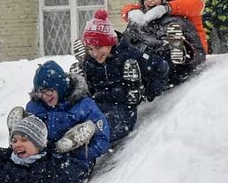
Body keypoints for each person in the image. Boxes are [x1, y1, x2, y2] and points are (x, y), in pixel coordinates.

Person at [71, 8, 168, 142]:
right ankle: (76, 132)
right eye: (90, 49)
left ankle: (134, 88)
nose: (94, 53)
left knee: (107, 126)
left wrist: (150, 92)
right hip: (96, 104)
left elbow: (161, 66)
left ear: (110, 42)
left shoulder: (129, 54)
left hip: (122, 107)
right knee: (75, 114)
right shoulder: (89, 61)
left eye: (98, 47)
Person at [24, 59, 111, 167]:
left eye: (48, 91)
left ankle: (70, 142)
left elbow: (102, 140)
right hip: (41, 155)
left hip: (74, 160)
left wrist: (75, 153)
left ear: (59, 87)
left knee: (55, 172)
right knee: (12, 167)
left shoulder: (84, 105)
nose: (44, 96)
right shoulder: (35, 107)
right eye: (40, 92)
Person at [121, 0, 206, 84]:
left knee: (164, 61)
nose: (151, 0)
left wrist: (189, 55)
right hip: (145, 64)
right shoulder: (137, 23)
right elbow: (126, 43)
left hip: (171, 67)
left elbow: (199, 51)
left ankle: (179, 52)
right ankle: (134, 83)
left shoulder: (176, 21)